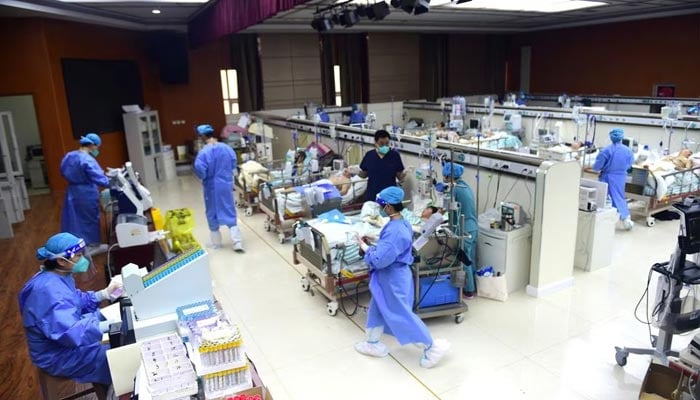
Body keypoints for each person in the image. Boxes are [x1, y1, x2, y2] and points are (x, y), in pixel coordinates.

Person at [354, 187, 450, 368]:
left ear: (389, 207)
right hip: (391, 277)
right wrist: (375, 244)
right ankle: (372, 343)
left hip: (392, 279)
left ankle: (431, 347)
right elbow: (389, 248)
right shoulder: (401, 223)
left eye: (382, 205)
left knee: (400, 314)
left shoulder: (395, 230)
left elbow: (381, 259)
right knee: (378, 307)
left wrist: (365, 248)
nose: (380, 208)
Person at [19, 233, 122, 391]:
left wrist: (103, 294)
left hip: (64, 341)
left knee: (108, 318)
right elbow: (70, 333)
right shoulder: (47, 291)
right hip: (57, 355)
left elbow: (75, 300)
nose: (83, 260)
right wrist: (108, 326)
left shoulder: (57, 276)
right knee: (115, 353)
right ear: (61, 260)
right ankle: (114, 392)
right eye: (79, 256)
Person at [194, 124, 244, 252]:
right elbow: (233, 164)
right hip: (225, 184)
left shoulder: (204, 152)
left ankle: (216, 243)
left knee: (212, 212)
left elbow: (200, 170)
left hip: (211, 187)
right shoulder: (226, 148)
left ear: (202, 136)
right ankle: (237, 242)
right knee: (229, 209)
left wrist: (206, 176)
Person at [60, 133, 110, 255]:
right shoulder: (87, 159)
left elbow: (63, 170)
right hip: (86, 193)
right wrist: (112, 182)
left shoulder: (69, 156)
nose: (97, 150)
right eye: (97, 147)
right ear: (92, 145)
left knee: (76, 219)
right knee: (90, 218)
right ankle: (93, 246)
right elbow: (99, 178)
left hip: (72, 191)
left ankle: (79, 245)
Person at [442, 162, 478, 298]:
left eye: (445, 175)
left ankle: (468, 291)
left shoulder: (455, 190)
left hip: (464, 229)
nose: (444, 177)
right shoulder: (465, 186)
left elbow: (446, 208)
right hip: (473, 227)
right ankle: (473, 286)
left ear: (449, 175)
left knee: (464, 259)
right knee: (471, 258)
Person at [592, 128, 635, 230]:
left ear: (611, 137)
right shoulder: (628, 151)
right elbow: (629, 165)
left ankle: (604, 221)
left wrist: (595, 168)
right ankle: (625, 217)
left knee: (605, 198)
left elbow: (597, 166)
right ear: (621, 137)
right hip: (620, 177)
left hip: (608, 177)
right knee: (619, 196)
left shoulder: (606, 150)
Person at [358, 130, 406, 201]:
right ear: (375, 143)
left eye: (387, 143)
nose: (385, 146)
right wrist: (357, 172)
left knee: (388, 211)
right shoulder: (369, 155)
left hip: (389, 195)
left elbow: (400, 177)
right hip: (373, 194)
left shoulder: (394, 155)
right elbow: (364, 175)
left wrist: (405, 173)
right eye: (381, 144)